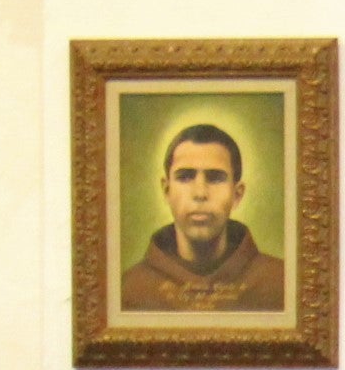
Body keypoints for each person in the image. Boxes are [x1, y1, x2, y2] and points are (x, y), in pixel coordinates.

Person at [121, 123, 288, 314]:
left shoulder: (282, 285)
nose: (200, 193)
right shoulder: (129, 291)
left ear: (237, 194)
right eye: (185, 177)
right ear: (167, 191)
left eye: (215, 178)